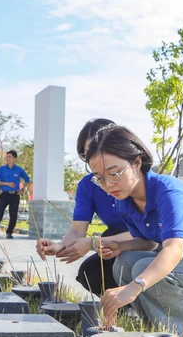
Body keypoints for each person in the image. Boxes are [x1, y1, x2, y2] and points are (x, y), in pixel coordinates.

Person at [83, 125, 183, 333]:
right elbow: (149, 242)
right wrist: (121, 245)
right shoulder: (124, 200)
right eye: (99, 178)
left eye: (114, 173)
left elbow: (173, 249)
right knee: (124, 263)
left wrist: (133, 288)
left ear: (137, 162)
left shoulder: (169, 192)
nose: (108, 184)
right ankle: (155, 331)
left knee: (142, 271)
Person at [35, 118, 133, 295]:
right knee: (90, 272)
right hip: (113, 244)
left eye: (98, 149)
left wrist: (93, 242)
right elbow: (77, 230)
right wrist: (59, 246)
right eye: (88, 153)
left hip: (147, 244)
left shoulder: (132, 178)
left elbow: (148, 234)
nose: (93, 158)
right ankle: (120, 311)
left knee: (123, 257)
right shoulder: (89, 185)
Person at [0, 150, 30, 239]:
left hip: (14, 195)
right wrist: (7, 184)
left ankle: (9, 232)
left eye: (9, 157)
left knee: (13, 214)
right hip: (4, 194)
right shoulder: (1, 169)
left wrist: (22, 189)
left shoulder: (19, 170)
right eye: (7, 157)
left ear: (14, 158)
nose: (7, 158)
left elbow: (27, 180)